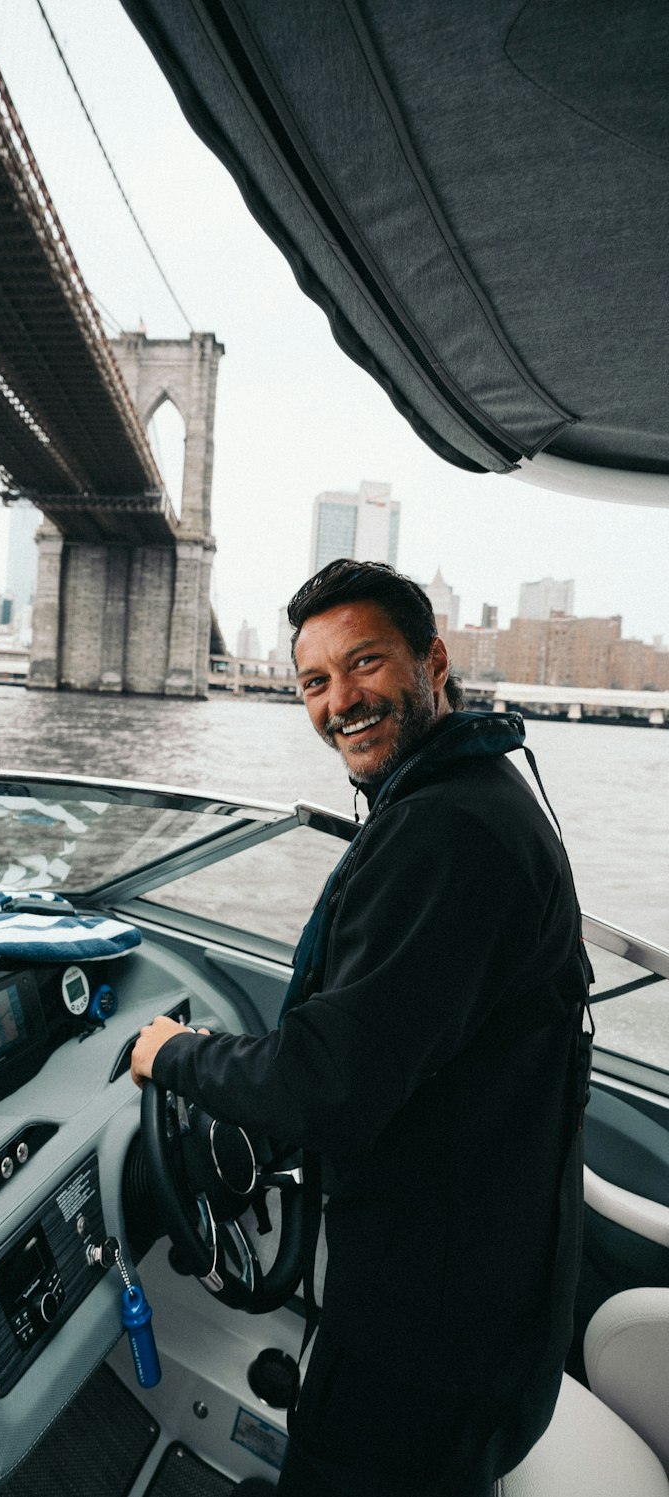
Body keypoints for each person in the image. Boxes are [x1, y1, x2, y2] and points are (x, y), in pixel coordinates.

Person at [131, 559, 590, 1497]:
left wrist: (173, 1054)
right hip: (485, 1285)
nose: (341, 700)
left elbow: (320, 1086)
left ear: (433, 660)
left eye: (366, 662)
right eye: (314, 680)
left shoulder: (446, 834)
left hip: (428, 1334)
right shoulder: (481, 793)